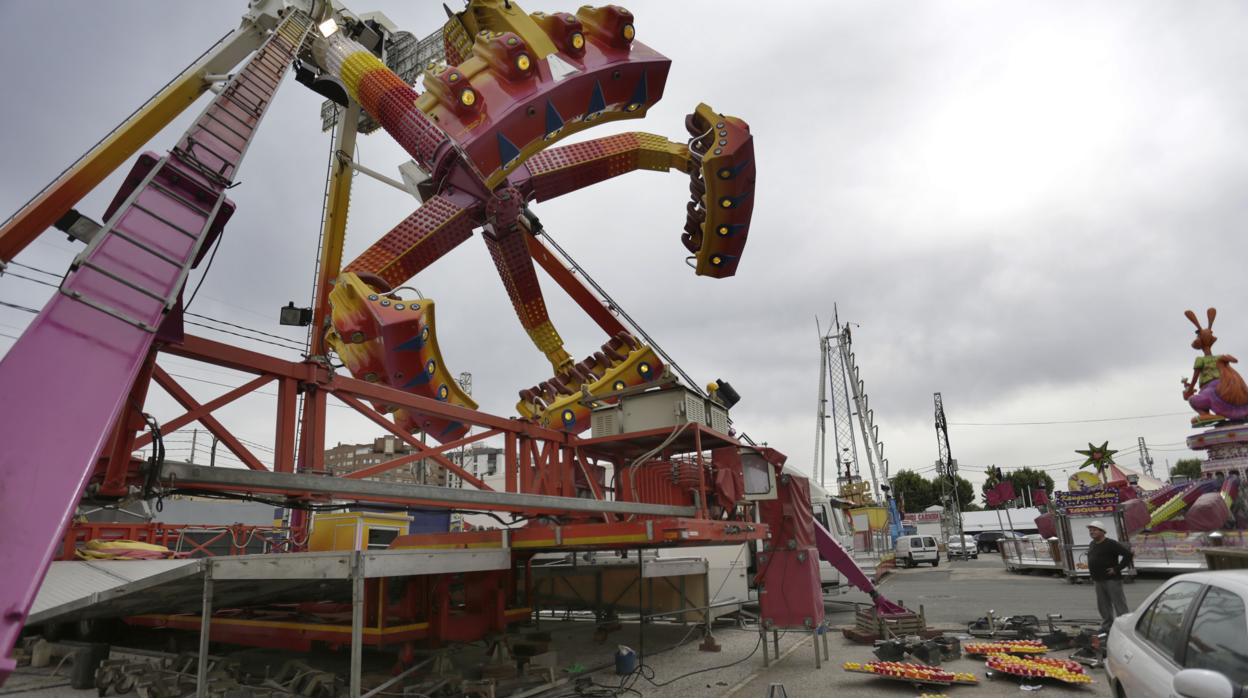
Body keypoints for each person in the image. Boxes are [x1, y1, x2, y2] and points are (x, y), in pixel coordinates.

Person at [1086, 520, 1133, 632]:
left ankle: (1124, 625)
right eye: (1090, 530)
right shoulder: (1092, 544)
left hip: (1112, 580)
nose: (1091, 532)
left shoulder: (1111, 543)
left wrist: (1117, 569)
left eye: (1094, 530)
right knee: (1103, 605)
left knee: (1119, 603)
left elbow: (1128, 555)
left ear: (1102, 531)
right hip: (1098, 580)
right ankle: (1107, 625)